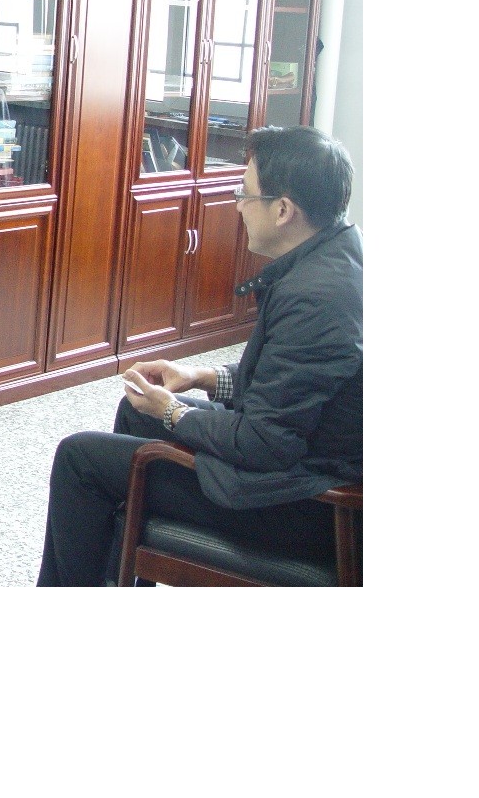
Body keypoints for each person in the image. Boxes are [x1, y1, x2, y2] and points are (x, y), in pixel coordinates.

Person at [37, 125, 363, 586]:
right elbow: (288, 381)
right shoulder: (340, 255)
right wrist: (200, 376)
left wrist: (172, 412)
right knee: (134, 414)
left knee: (80, 458)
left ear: (283, 210)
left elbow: (264, 443)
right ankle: (115, 580)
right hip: (297, 464)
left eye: (244, 194)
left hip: (300, 506)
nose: (237, 205)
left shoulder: (316, 299)